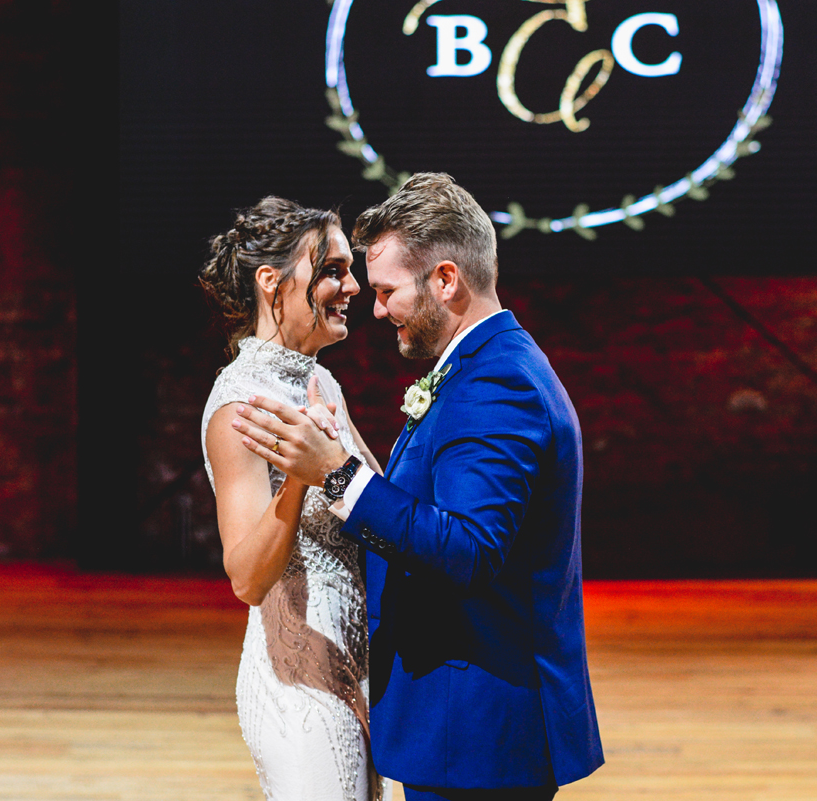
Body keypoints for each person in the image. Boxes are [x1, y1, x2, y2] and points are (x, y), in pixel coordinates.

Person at [231, 173, 604, 799]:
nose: (375, 309)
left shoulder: (495, 385)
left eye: (387, 291)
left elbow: (468, 550)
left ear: (446, 280)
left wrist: (335, 474)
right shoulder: (479, 368)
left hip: (479, 728)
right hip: (461, 724)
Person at [199, 197, 391, 800]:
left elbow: (375, 504)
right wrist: (304, 479)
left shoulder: (317, 381)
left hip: (353, 675)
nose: (353, 285)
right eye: (331, 270)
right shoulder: (240, 407)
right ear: (271, 282)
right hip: (298, 687)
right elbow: (248, 579)